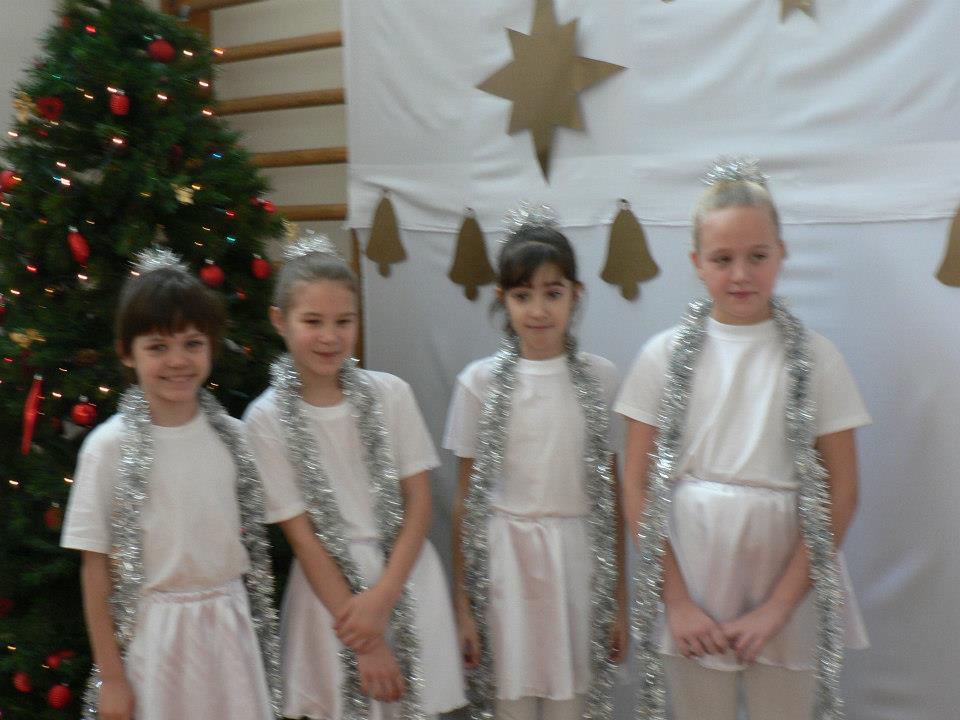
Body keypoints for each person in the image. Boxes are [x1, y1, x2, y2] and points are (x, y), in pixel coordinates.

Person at [617, 158, 870, 720]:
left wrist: (779, 606)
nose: (740, 274)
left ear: (782, 254)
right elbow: (635, 485)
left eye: (758, 256)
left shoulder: (818, 359)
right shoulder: (662, 357)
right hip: (692, 567)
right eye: (722, 259)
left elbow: (843, 491)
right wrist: (676, 600)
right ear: (696, 263)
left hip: (787, 571)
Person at [243, 233, 466, 720]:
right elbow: (303, 538)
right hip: (331, 599)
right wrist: (366, 641)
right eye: (313, 322)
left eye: (343, 321)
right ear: (280, 320)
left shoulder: (392, 395)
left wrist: (384, 597)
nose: (330, 336)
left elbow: (420, 505)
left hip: (406, 576)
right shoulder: (265, 419)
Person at [61, 248, 279, 720]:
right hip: (154, 639)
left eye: (192, 343)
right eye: (157, 347)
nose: (178, 361)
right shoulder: (107, 448)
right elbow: (95, 568)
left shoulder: (236, 438)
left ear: (211, 347)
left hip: (229, 632)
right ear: (127, 353)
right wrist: (112, 677)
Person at [445, 206, 627, 720]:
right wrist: (463, 605)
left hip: (576, 563)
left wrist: (619, 600)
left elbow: (612, 499)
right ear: (503, 299)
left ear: (576, 294)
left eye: (553, 293)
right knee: (511, 702)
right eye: (523, 296)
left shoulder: (602, 379)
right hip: (506, 565)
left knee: (572, 702)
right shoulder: (478, 383)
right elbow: (464, 503)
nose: (539, 310)